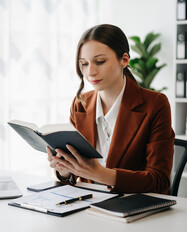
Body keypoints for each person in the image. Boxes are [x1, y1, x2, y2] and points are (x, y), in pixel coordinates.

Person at [46, 24, 174, 194]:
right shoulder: (80, 104)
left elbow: (159, 181)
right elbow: (72, 178)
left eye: (100, 62)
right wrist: (65, 169)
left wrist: (101, 174)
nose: (90, 72)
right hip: (88, 206)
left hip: (132, 208)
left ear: (124, 60)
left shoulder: (156, 104)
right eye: (84, 64)